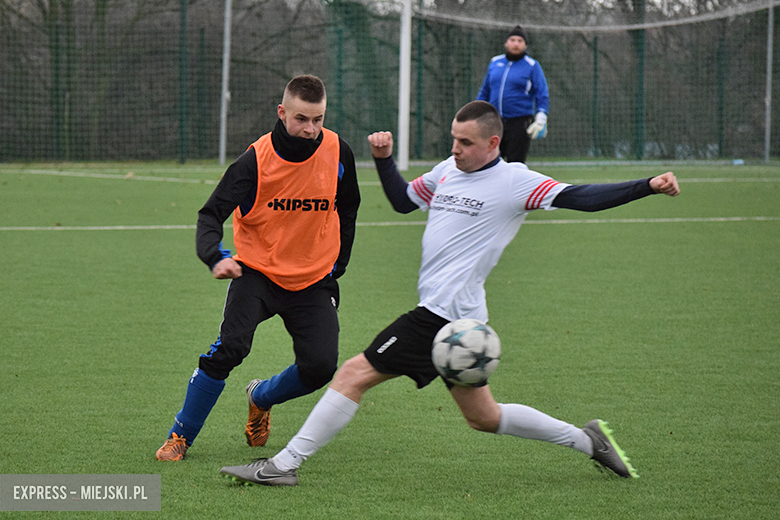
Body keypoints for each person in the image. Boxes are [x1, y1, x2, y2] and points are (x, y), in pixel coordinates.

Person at [220, 100, 679, 485]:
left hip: (443, 318)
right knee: (485, 417)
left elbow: (584, 196)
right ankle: (588, 440)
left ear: (493, 143)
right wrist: (384, 160)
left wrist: (648, 186)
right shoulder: (447, 171)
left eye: (466, 143)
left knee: (353, 375)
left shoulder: (516, 181)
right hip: (460, 324)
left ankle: (283, 465)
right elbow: (403, 202)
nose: (455, 149)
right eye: (454, 140)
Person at [155, 75, 361, 461]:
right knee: (230, 349)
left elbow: (348, 207)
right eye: (302, 118)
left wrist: (338, 265)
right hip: (257, 274)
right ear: (282, 113)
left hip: (313, 280)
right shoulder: (255, 161)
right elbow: (210, 216)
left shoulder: (338, 151)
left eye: (318, 119)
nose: (311, 129)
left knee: (319, 367)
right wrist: (216, 257)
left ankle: (261, 397)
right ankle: (180, 435)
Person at [477, 25, 549, 164]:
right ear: (506, 43)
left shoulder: (532, 66)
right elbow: (485, 91)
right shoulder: (495, 62)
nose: (516, 44)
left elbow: (542, 93)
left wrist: (541, 117)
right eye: (513, 39)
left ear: (525, 45)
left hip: (519, 122)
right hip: (494, 122)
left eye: (520, 41)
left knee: (515, 165)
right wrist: (476, 113)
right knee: (489, 163)